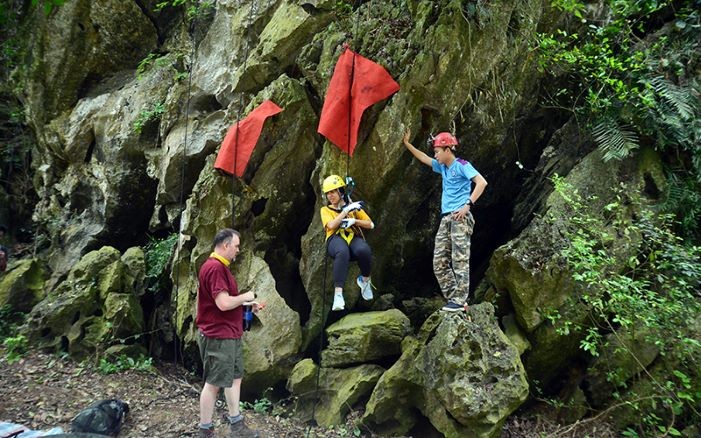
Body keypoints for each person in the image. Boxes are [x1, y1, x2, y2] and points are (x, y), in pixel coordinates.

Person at [402, 129, 488, 312]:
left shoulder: (462, 165)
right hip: (446, 218)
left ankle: (459, 300)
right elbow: (424, 158)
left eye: (438, 151)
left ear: (448, 149)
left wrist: (468, 205)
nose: (436, 155)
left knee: (460, 260)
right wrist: (407, 144)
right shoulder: (443, 168)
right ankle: (456, 301)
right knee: (439, 262)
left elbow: (482, 182)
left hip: (460, 218)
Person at [195, 229, 261, 438]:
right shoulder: (214, 268)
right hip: (218, 336)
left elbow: (223, 303)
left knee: (234, 378)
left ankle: (236, 425)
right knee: (214, 383)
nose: (238, 250)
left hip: (229, 333)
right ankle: (205, 430)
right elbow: (223, 304)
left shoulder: (219, 267)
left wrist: (248, 306)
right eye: (236, 246)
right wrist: (245, 296)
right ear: (225, 245)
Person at [320, 175, 375, 311]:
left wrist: (355, 220)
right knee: (342, 251)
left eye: (333, 192)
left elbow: (370, 224)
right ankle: (338, 294)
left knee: (364, 250)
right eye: (328, 193)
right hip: (334, 239)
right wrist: (345, 212)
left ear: (341, 192)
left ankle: (365, 281)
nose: (330, 196)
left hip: (352, 236)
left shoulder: (353, 207)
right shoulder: (325, 210)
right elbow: (331, 225)